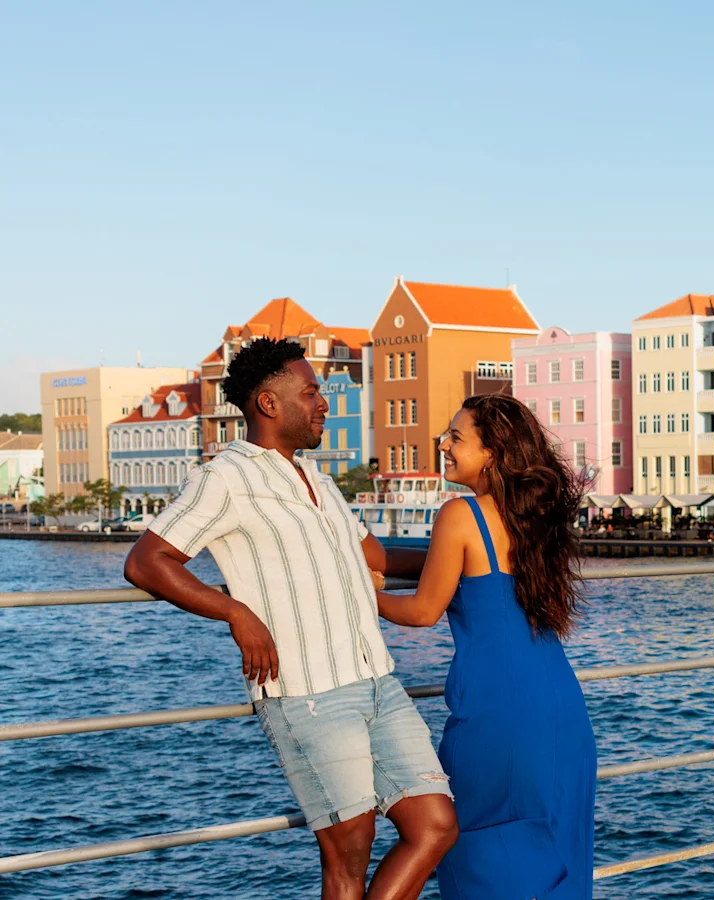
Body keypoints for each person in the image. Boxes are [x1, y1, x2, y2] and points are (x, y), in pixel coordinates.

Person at [124, 337, 457, 900]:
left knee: (435, 827)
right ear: (269, 404)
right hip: (307, 693)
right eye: (311, 393)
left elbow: (375, 557)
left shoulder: (317, 480)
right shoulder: (226, 476)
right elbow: (146, 562)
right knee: (349, 851)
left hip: (377, 681)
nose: (323, 404)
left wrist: (474, 558)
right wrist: (236, 612)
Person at [374, 393, 596, 899]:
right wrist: (393, 566)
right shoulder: (534, 519)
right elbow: (457, 566)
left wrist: (364, 594)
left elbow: (423, 611)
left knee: (479, 851)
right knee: (555, 854)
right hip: (559, 709)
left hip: (497, 715)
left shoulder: (459, 514)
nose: (443, 444)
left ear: (492, 451)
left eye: (456, 437)